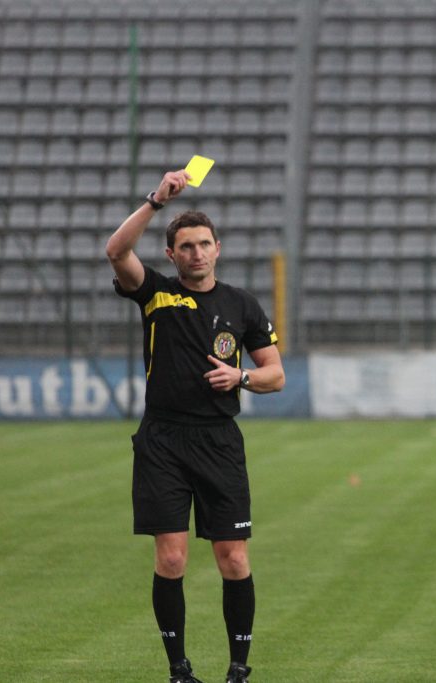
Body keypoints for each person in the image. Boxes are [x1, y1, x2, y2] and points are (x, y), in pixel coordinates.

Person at [106, 169, 285, 683]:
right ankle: (179, 670)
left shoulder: (241, 304)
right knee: (173, 558)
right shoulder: (156, 294)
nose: (197, 253)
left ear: (218, 248)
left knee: (232, 558)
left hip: (219, 441)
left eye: (204, 244)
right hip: (162, 440)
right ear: (171, 254)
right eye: (186, 246)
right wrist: (155, 201)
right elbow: (116, 251)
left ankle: (238, 668)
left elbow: (276, 375)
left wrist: (242, 377)